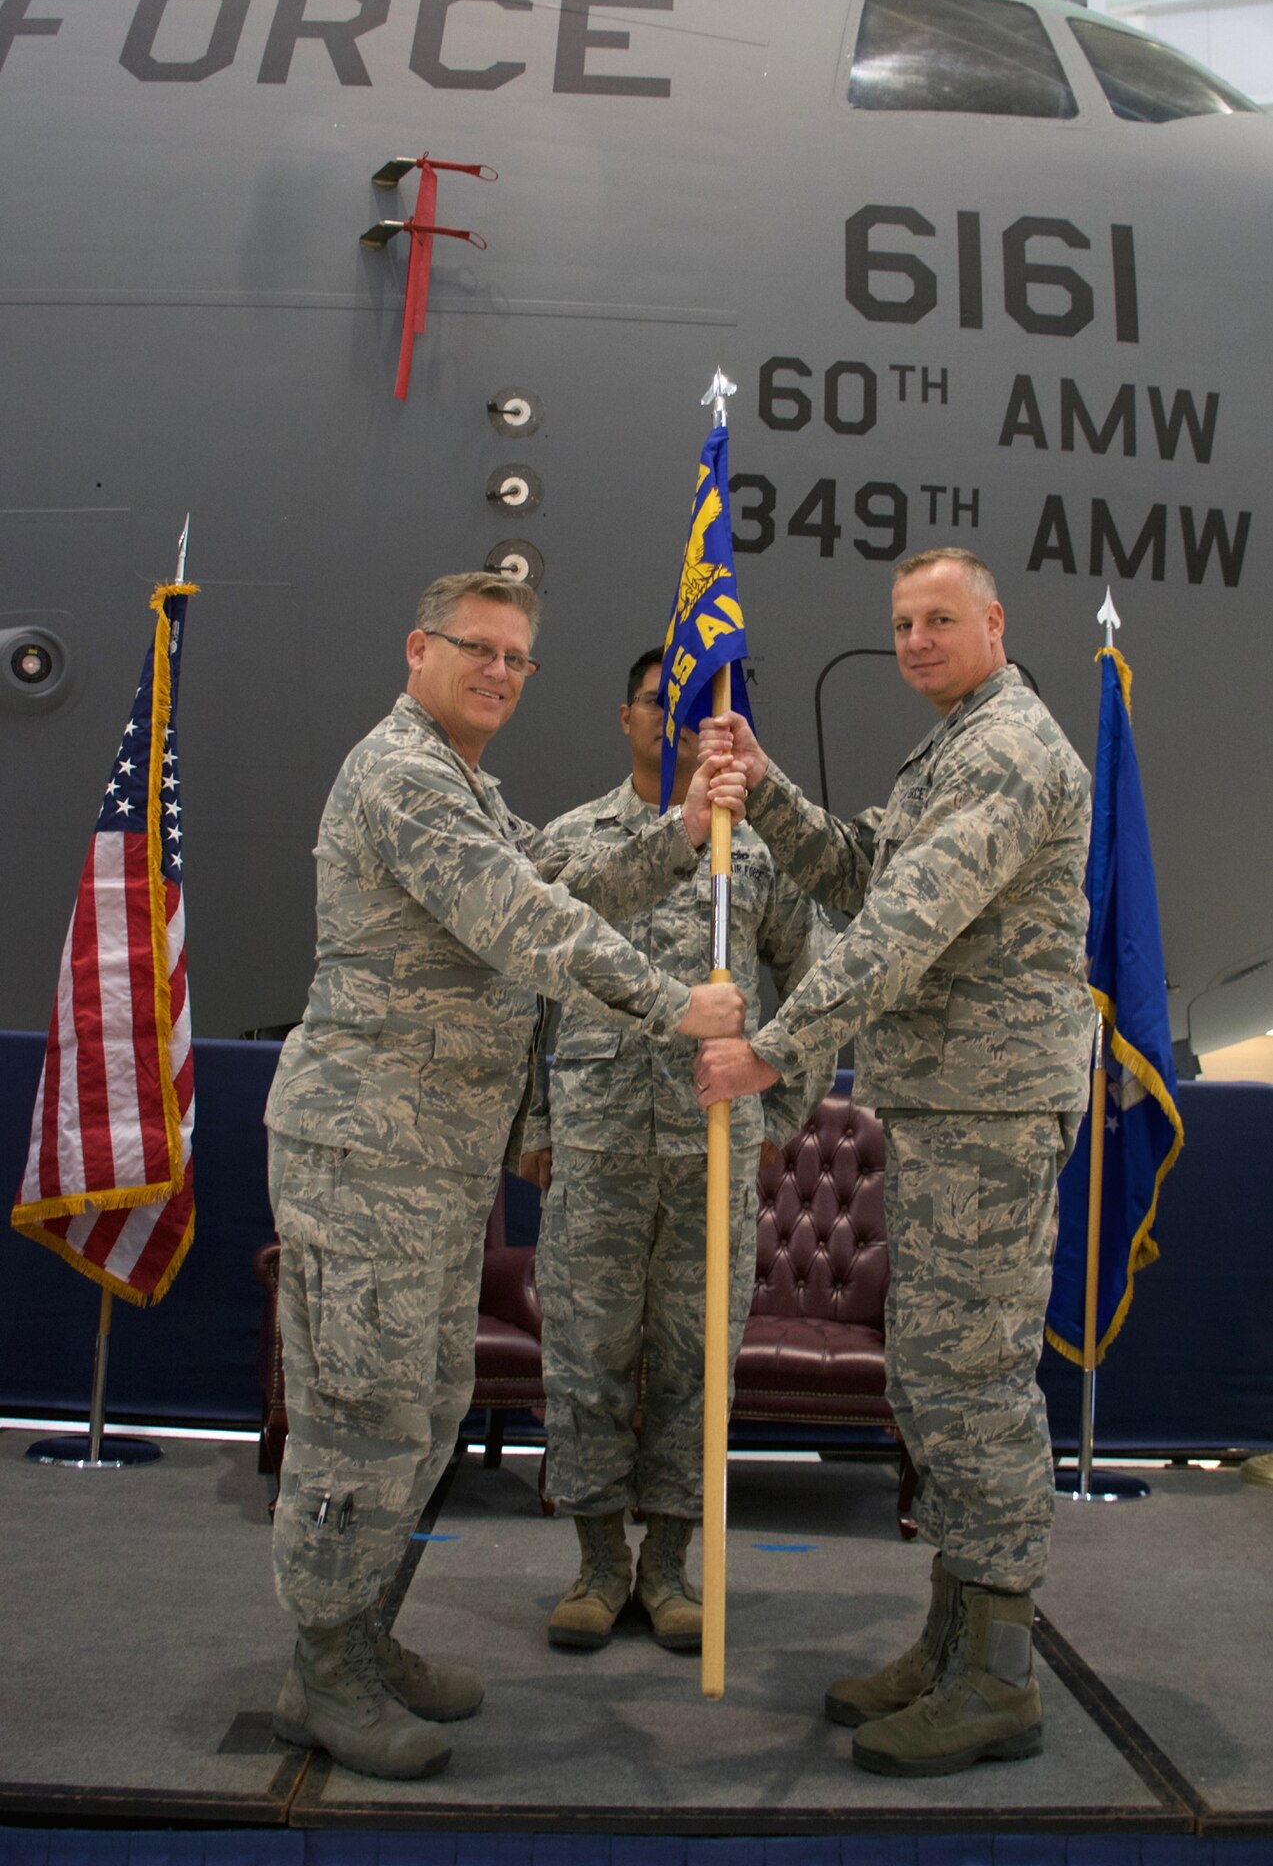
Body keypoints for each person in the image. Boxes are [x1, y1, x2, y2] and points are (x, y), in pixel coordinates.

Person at [264, 571, 747, 1782]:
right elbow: (521, 923)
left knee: (422, 1407)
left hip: (429, 1164)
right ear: (417, 646)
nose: (498, 671)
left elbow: (555, 879)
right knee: (360, 1415)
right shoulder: (403, 773)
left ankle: (360, 1636)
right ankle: (320, 1671)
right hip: (366, 1152)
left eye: (518, 658)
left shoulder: (465, 780)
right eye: (477, 647)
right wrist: (673, 1001)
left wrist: (683, 834)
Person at [695, 548, 1092, 1777]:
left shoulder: (1011, 750)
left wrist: (775, 1046)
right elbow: (864, 868)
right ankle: (951, 1636)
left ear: (994, 624)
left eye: (939, 619)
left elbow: (905, 923)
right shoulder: (956, 743)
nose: (915, 639)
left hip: (990, 1111)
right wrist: (760, 789)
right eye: (902, 622)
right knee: (932, 1380)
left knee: (971, 1387)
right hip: (946, 1109)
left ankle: (1000, 1678)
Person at [519, 648, 836, 1654]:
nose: (687, 724)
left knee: (697, 1360)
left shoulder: (764, 851)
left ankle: (668, 1567)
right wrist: (534, 1123)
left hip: (710, 1150)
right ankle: (597, 1562)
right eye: (667, 705)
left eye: (707, 709)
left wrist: (776, 1111)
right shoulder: (572, 842)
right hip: (598, 1145)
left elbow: (823, 990)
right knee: (587, 1356)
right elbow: (527, 991)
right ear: (628, 716)